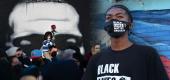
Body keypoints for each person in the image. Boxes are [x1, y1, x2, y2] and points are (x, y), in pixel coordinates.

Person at [82, 5, 169, 80]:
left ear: (130, 25)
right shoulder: (96, 59)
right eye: (109, 18)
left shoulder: (147, 54)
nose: (113, 20)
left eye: (119, 16)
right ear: (105, 25)